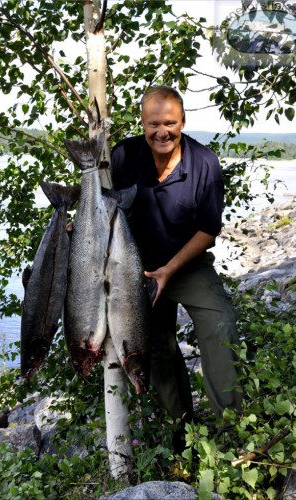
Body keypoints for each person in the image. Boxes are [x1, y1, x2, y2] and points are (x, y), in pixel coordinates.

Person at [111, 86, 242, 427]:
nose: (162, 132)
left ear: (182, 122)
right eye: (153, 124)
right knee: (156, 348)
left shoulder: (204, 163)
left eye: (170, 122)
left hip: (187, 266)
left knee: (221, 323)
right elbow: (104, 207)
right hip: (137, 272)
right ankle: (181, 432)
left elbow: (208, 230)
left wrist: (169, 269)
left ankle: (231, 428)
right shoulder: (123, 156)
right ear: (142, 123)